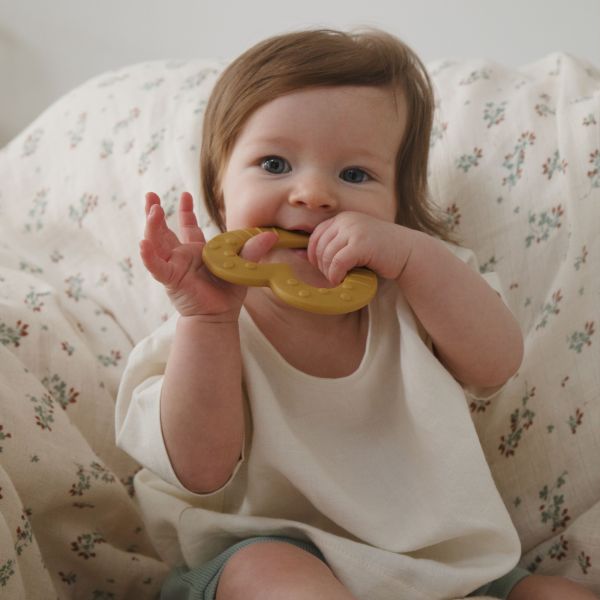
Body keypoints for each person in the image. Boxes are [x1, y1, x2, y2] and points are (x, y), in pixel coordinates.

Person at [115, 29, 598, 600]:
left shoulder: (421, 289)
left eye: (355, 175)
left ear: (399, 203)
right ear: (221, 193)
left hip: (442, 573)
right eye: (274, 163)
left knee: (550, 593)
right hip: (263, 556)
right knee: (271, 574)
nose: (314, 193)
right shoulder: (207, 320)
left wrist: (417, 257)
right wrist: (208, 323)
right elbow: (200, 469)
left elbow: (496, 363)